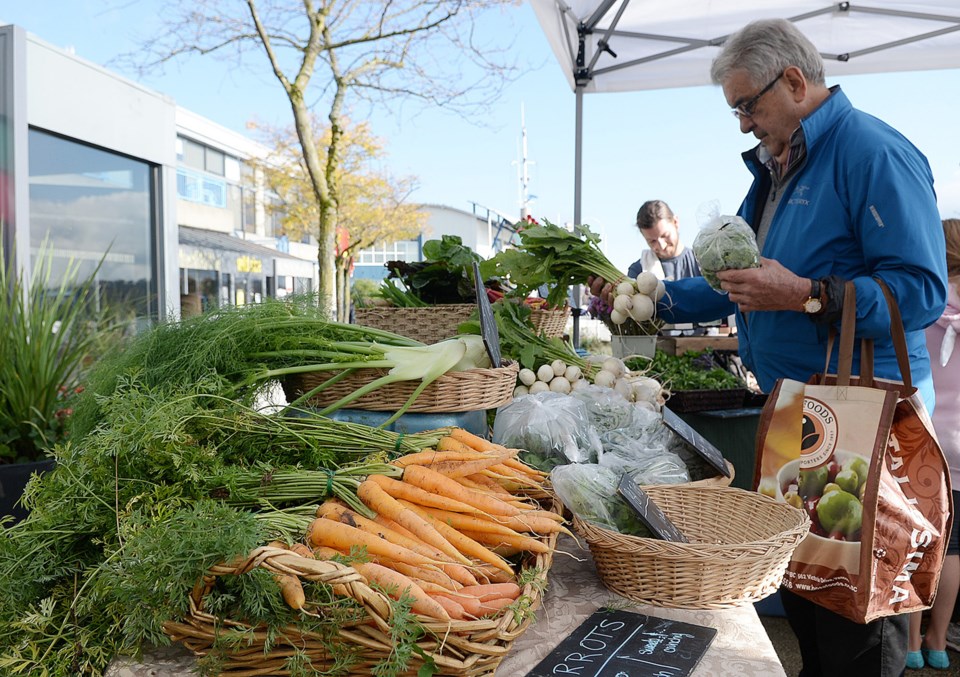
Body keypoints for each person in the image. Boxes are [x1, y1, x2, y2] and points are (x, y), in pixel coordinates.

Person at [590, 18, 946, 675]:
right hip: (795, 418)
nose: (743, 125)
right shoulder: (775, 172)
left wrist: (811, 293)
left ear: (794, 81)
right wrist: (644, 295)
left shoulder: (874, 153)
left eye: (745, 105)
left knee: (860, 623)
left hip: (865, 423)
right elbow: (738, 287)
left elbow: (921, 292)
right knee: (808, 605)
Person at [907, 219, 960, 671]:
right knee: (955, 548)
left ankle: (907, 643)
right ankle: (938, 644)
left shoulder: (926, 302)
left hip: (926, 441)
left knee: (916, 541)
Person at [626, 200, 701, 281]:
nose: (662, 246)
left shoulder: (701, 262)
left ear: (676, 222)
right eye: (652, 241)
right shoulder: (638, 271)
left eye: (665, 235)